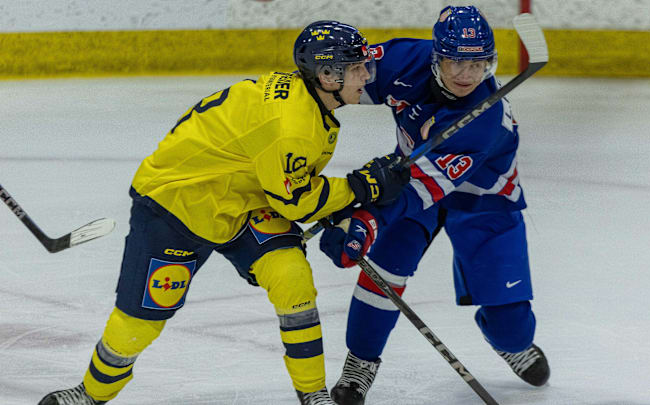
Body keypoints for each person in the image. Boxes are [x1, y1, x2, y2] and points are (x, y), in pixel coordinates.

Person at [38, 20, 410, 405]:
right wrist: (359, 187)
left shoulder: (306, 100)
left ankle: (314, 396)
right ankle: (90, 394)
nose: (366, 74)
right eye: (355, 68)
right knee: (140, 322)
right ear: (327, 74)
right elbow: (298, 202)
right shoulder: (294, 124)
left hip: (244, 200)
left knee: (291, 276)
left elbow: (289, 182)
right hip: (175, 206)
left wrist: (345, 198)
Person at [319, 6, 550, 404]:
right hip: (415, 182)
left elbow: (421, 190)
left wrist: (366, 220)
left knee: (513, 327)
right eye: (455, 61)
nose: (466, 74)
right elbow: (339, 83)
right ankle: (361, 361)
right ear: (435, 57)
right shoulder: (401, 61)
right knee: (383, 274)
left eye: (477, 64)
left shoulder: (484, 118)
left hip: (485, 201)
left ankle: (506, 338)